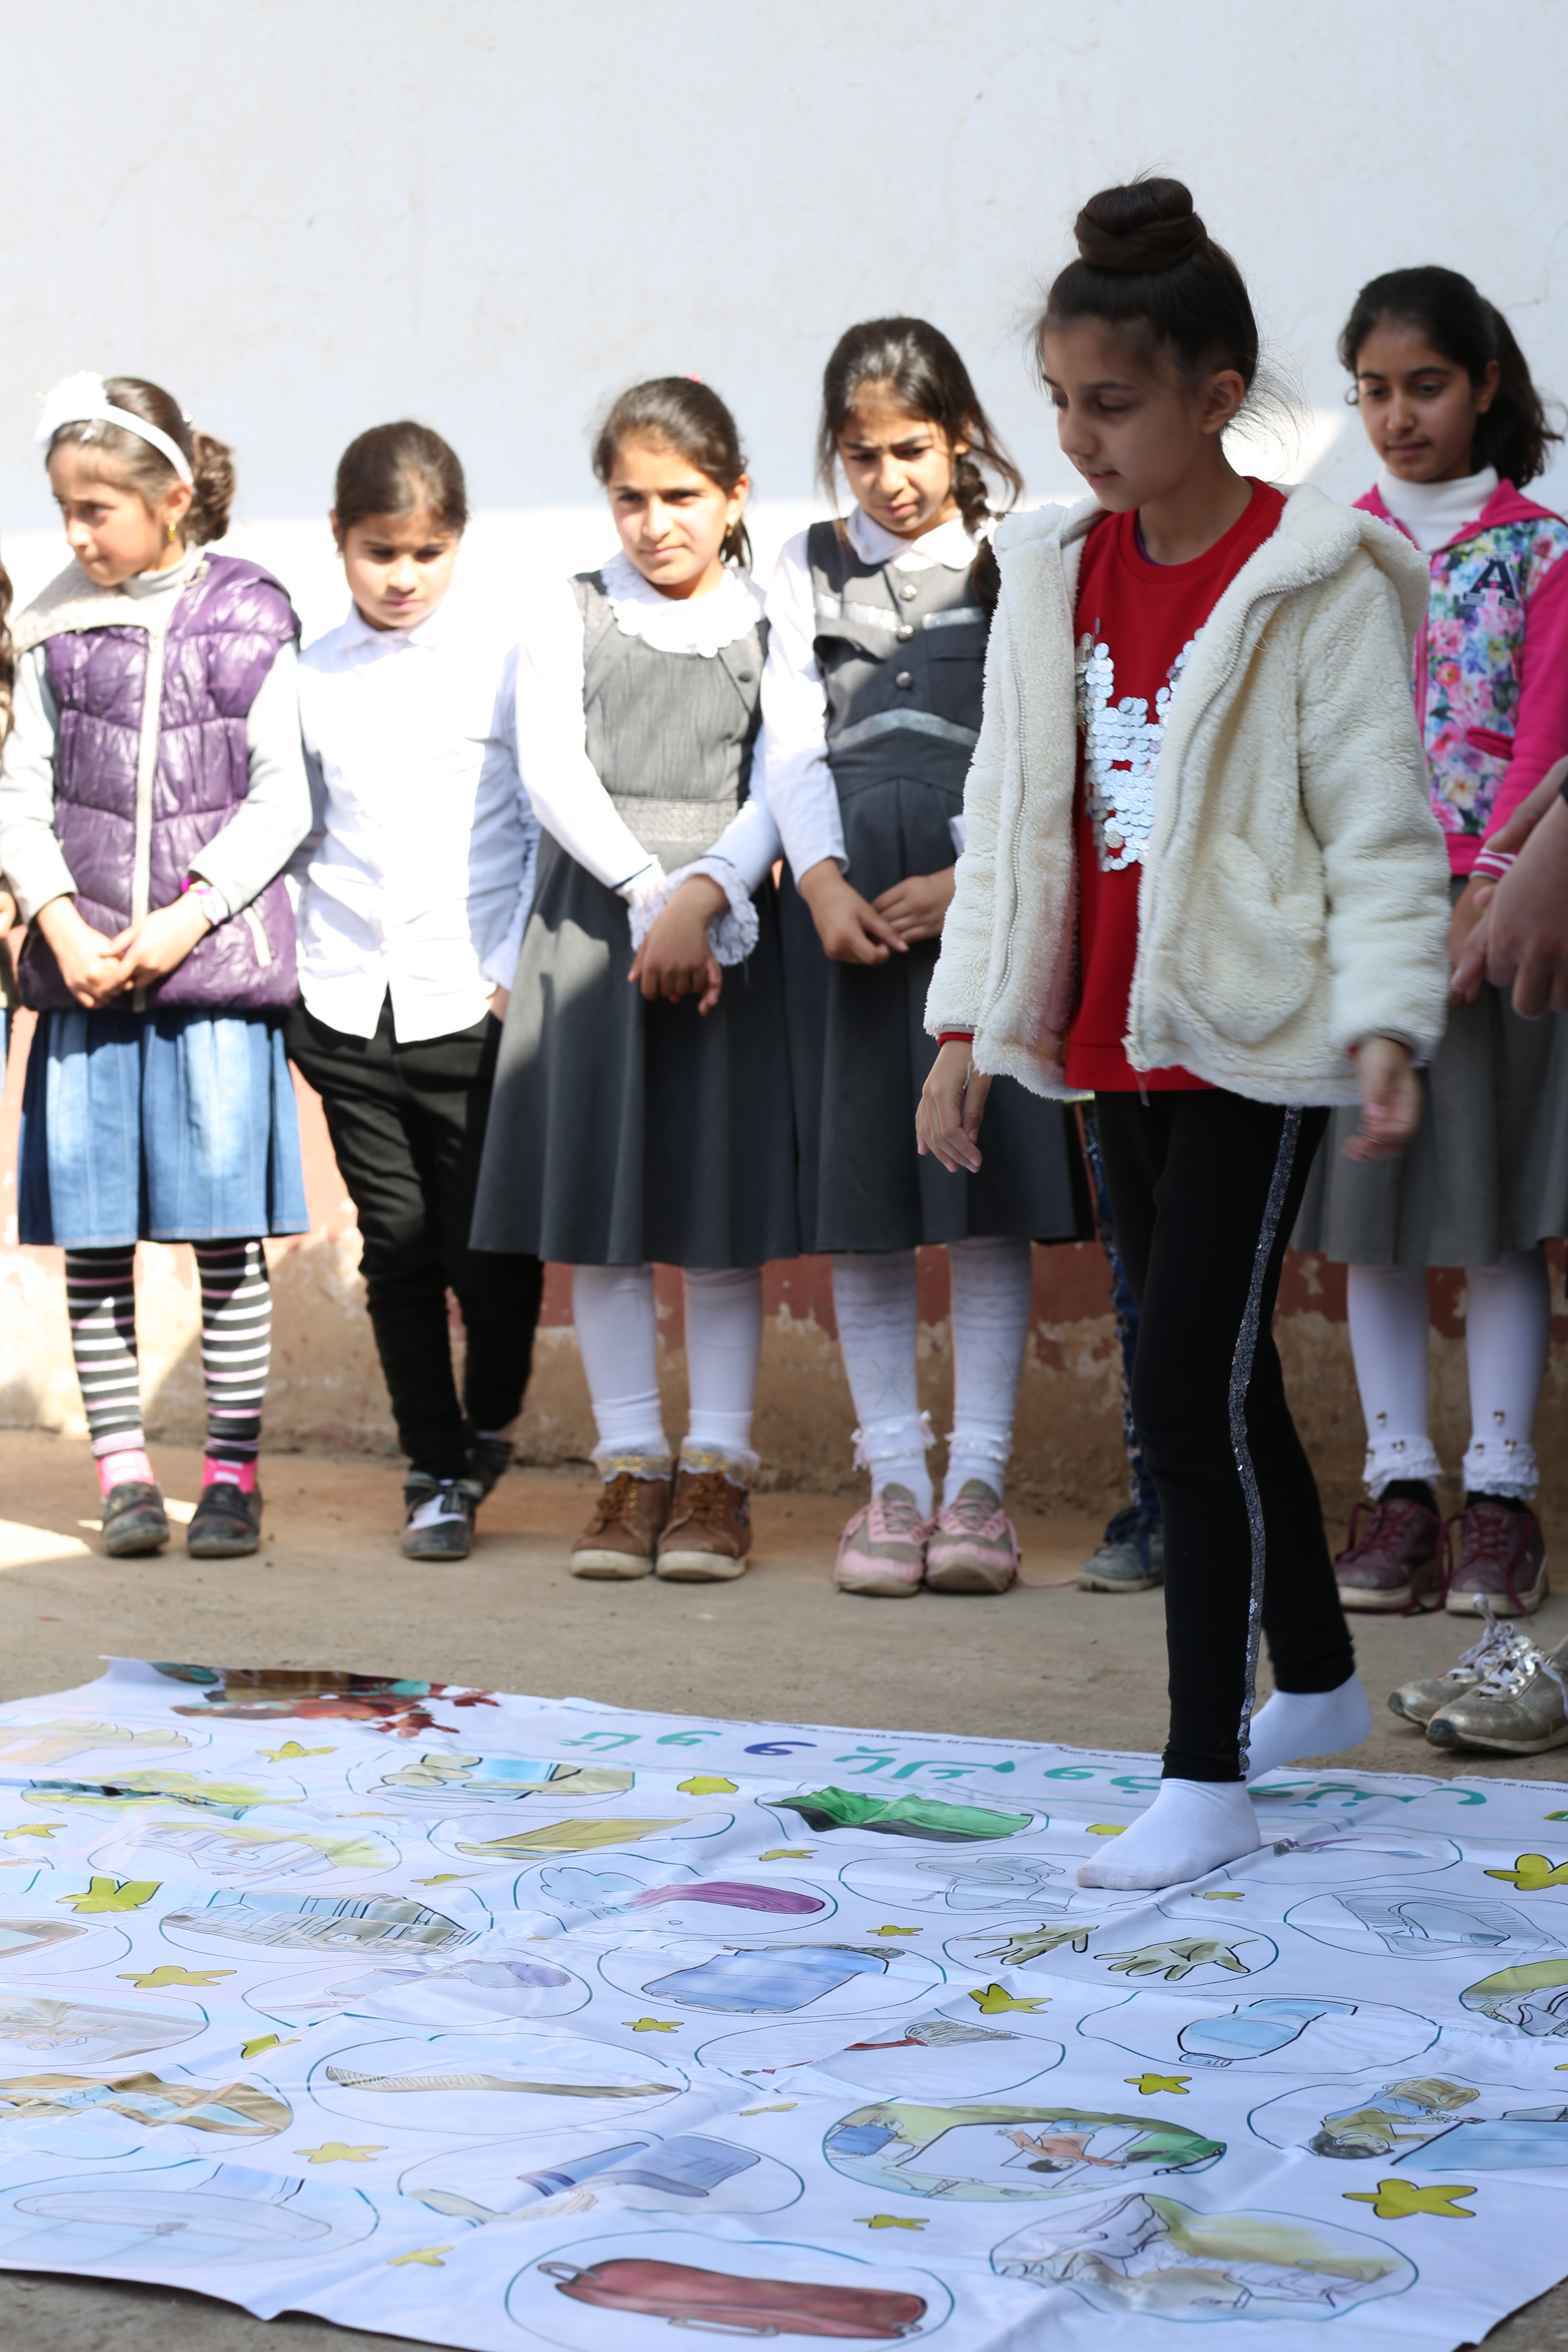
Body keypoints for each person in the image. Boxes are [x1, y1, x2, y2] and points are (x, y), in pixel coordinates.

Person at [919, 180, 1451, 1888]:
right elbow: (1011, 809)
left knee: (1172, 1386)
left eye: (1113, 404)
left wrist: (1384, 1022)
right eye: (1061, 403)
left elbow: (1380, 821)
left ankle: (1203, 1775)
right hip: (1107, 1034)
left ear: (1217, 396)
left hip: (1255, 1028)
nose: (1077, 438)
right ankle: (1315, 1679)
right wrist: (964, 1026)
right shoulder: (1050, 569)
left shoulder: (1319, 580)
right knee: (1210, 1372)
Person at [762, 318, 1089, 1601]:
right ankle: (890, 1481)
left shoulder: (1020, 563)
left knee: (982, 1195)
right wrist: (824, 880)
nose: (889, 477)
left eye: (912, 447)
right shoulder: (804, 566)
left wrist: (973, 883)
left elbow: (1046, 741)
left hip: (981, 909)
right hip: (847, 928)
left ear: (960, 435)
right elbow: (789, 739)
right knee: (870, 1207)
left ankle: (977, 1489)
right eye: (861, 455)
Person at [470, 379, 794, 1582]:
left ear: (732, 497)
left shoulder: (769, 620)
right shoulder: (567, 611)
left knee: (713, 1217)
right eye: (629, 498)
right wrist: (648, 896)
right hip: (598, 929)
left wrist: (706, 892)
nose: (654, 522)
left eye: (681, 496)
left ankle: (714, 1471)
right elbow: (548, 767)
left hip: (728, 925)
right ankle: (627, 1467)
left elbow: (782, 774)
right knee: (602, 1228)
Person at [0, 373, 313, 1560]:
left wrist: (190, 917)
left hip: (210, 988)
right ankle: (124, 1472)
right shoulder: (53, 628)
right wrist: (60, 923)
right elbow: (19, 799)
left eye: (99, 510)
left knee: (225, 1243)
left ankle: (231, 1475)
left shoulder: (249, 614)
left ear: (172, 496)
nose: (79, 535)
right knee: (95, 1241)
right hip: (85, 991)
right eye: (64, 510)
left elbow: (283, 797)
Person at [1294, 268, 1568, 1619]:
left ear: (1486, 388)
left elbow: (1547, 734)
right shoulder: (1331, 550)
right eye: (1375, 391)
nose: (1398, 416)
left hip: (1498, 924)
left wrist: (1499, 881)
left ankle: (1503, 1497)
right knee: (1378, 1225)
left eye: (1427, 386)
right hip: (1366, 923)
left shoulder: (1542, 550)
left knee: (1500, 1218)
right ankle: (1400, 1490)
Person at [286, 423, 543, 1562]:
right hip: (347, 1007)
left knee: (489, 1258)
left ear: (459, 546)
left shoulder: (503, 661)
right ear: (340, 540)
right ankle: (434, 1469)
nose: (401, 577)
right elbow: (286, 828)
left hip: (470, 1008)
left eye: (426, 554)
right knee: (395, 1249)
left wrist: (509, 979)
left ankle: (488, 1419)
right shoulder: (305, 676)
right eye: (379, 552)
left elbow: (544, 829)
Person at [1076, 1102, 1165, 1592]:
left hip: (1226, 1053)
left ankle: (1236, 1512)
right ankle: (1157, 1512)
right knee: (1135, 1280)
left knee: (1226, 1277)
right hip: (1110, 1065)